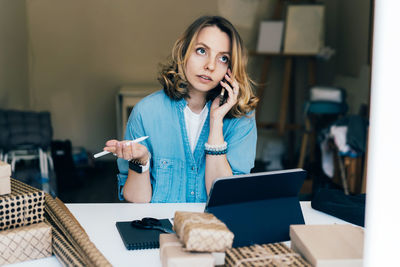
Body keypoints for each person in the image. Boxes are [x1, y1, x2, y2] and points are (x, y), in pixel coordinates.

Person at [104, 16, 258, 203]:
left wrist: (216, 122)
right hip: (159, 231)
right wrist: (141, 162)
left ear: (231, 68)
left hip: (215, 230)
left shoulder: (243, 119)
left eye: (223, 58)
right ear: (183, 51)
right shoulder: (146, 113)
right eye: (201, 51)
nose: (210, 65)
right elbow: (137, 203)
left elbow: (227, 199)